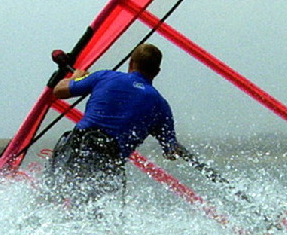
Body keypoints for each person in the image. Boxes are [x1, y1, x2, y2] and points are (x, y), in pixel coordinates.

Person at [47, 43, 187, 203]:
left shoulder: (105, 77)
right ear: (157, 72)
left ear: (131, 63)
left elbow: (58, 90)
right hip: (108, 162)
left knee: (55, 193)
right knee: (90, 206)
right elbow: (170, 153)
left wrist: (76, 77)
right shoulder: (160, 106)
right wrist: (162, 136)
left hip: (78, 146)